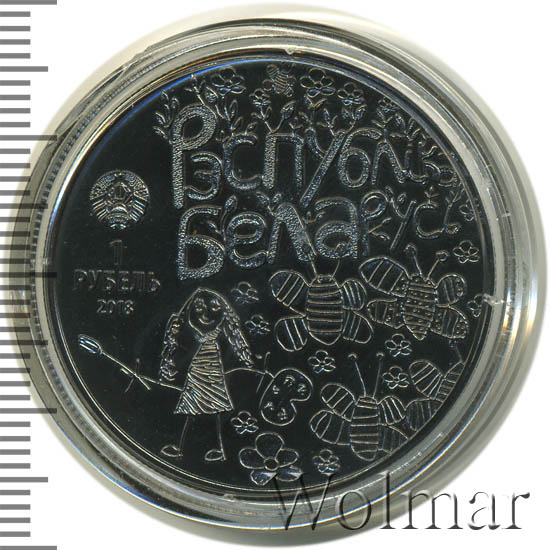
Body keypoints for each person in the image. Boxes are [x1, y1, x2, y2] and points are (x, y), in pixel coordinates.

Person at [158, 287, 253, 462]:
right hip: (197, 373)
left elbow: (237, 356)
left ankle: (218, 447)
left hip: (211, 373)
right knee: (191, 407)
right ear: (188, 312)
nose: (206, 314)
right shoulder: (188, 336)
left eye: (215, 308)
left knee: (214, 408)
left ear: (224, 314)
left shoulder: (217, 339)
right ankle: (182, 446)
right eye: (199, 307)